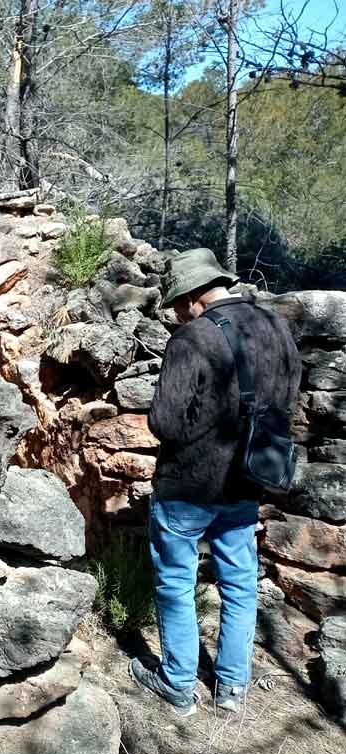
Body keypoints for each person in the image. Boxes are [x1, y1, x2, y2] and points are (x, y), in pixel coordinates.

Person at [129, 248, 301, 716]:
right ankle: (232, 689)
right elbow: (287, 400)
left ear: (192, 296)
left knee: (175, 583)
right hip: (248, 481)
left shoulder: (192, 338)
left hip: (187, 487)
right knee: (240, 584)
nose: (177, 312)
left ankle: (178, 684)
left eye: (177, 304)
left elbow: (164, 422)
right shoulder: (276, 328)